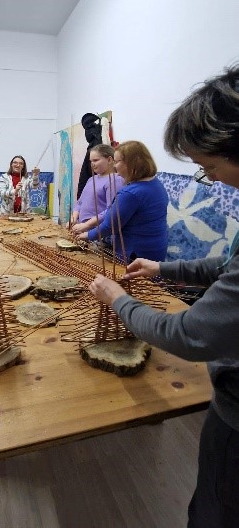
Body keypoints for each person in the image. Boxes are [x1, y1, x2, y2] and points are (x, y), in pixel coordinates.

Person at [89, 65, 239, 528]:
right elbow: (227, 266)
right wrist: (164, 268)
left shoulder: (134, 192)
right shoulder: (143, 187)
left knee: (215, 511)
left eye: (210, 167)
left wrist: (117, 298)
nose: (214, 179)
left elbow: (188, 336)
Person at [75, 140, 168, 262]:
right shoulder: (155, 183)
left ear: (130, 163)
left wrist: (87, 235)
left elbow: (110, 225)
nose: (114, 166)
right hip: (155, 250)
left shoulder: (131, 193)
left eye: (117, 161)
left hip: (136, 254)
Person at [70, 144, 125, 233]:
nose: (92, 164)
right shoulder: (91, 179)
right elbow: (80, 203)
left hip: (99, 233)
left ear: (109, 160)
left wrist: (87, 224)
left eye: (96, 160)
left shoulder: (115, 180)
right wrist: (73, 218)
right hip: (83, 230)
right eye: (91, 161)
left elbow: (111, 210)